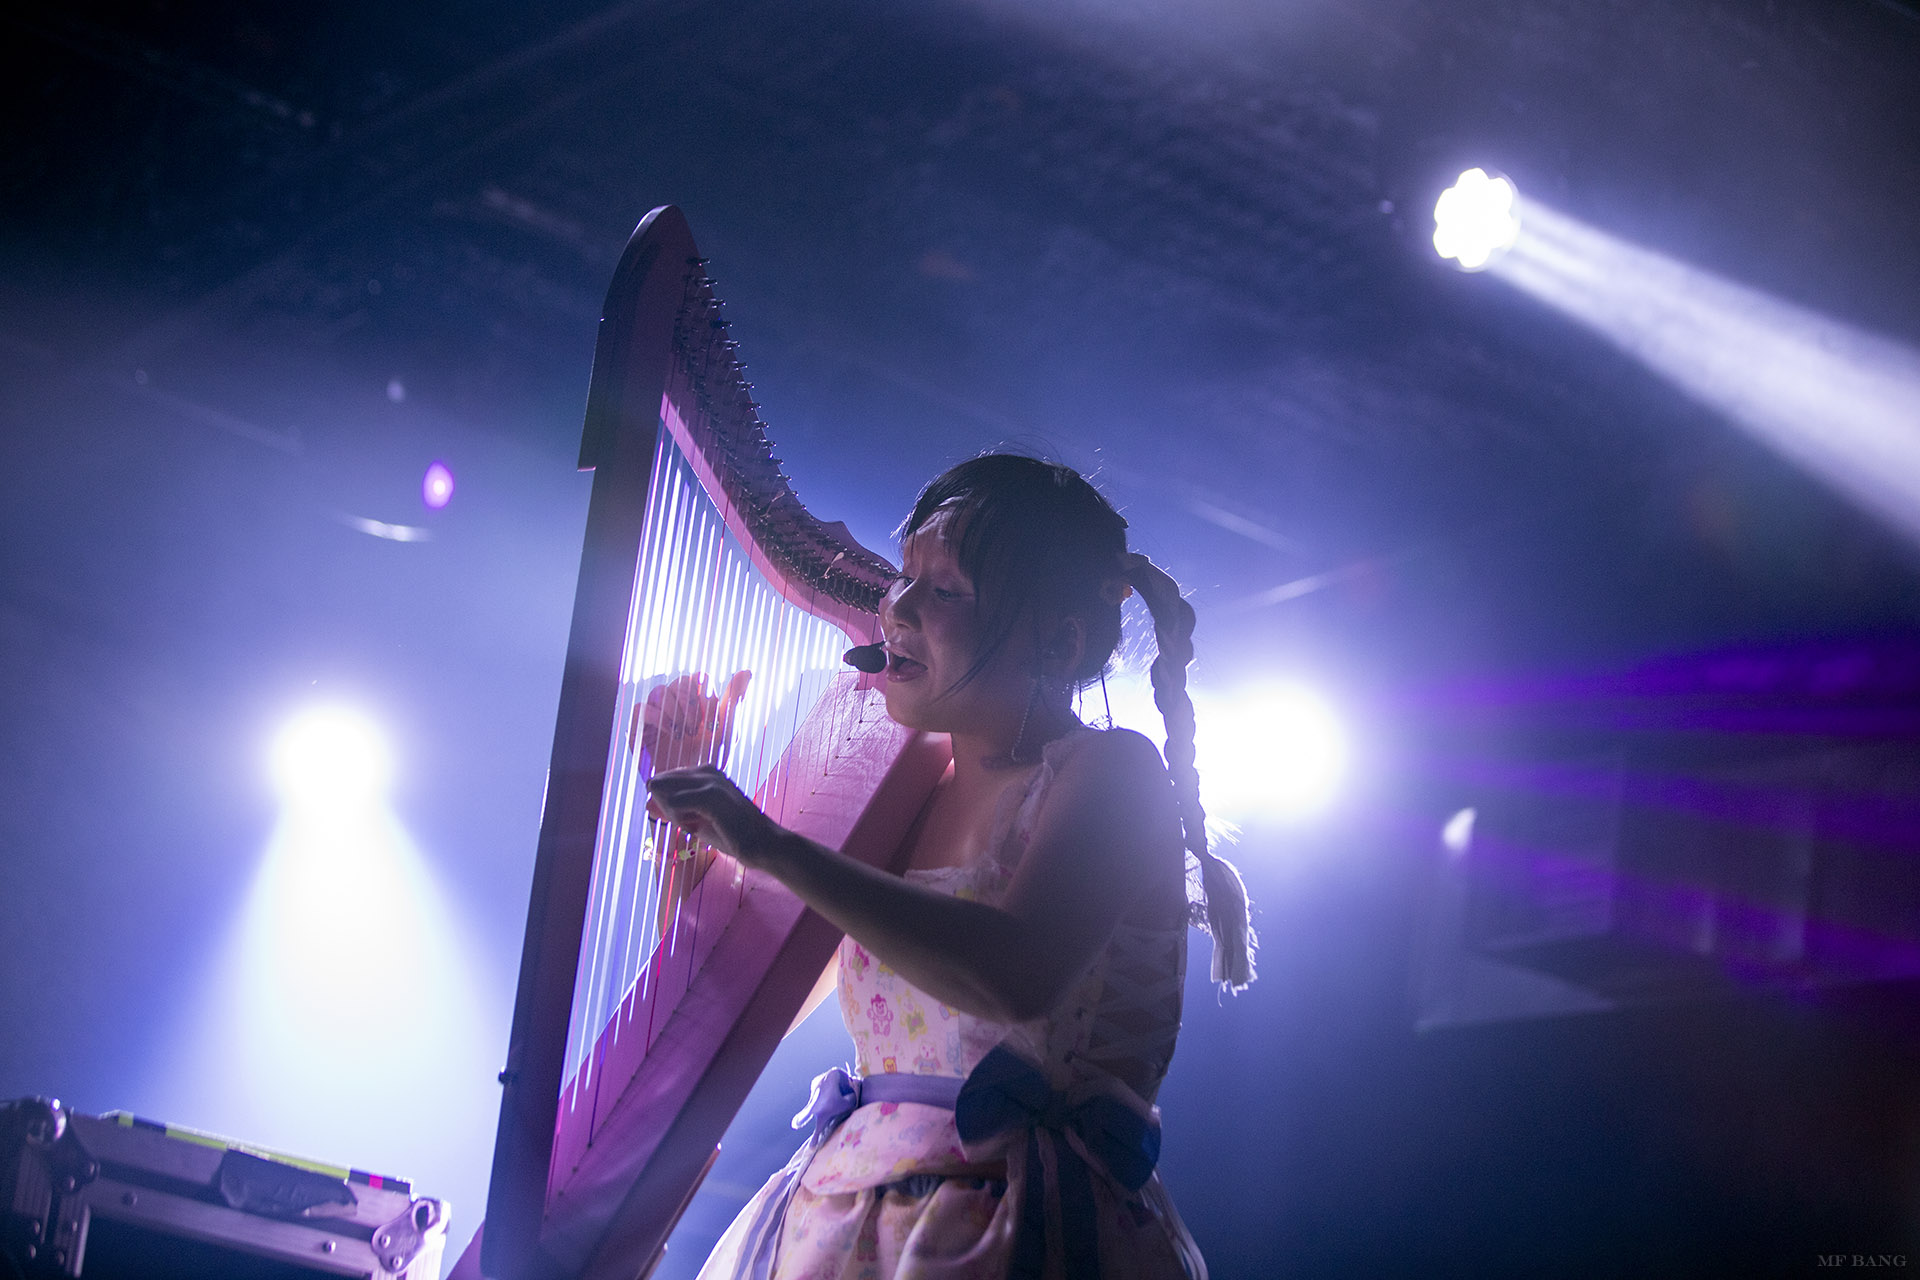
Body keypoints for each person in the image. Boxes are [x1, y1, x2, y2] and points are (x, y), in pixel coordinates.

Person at [645, 454, 1254, 1280]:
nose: (896, 608)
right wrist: (682, 824)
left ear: (1059, 642)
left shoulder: (1110, 773)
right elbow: (743, 994)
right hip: (843, 1215)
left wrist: (773, 845)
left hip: (1023, 1226)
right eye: (905, 578)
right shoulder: (900, 795)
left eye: (945, 591)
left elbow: (1015, 972)